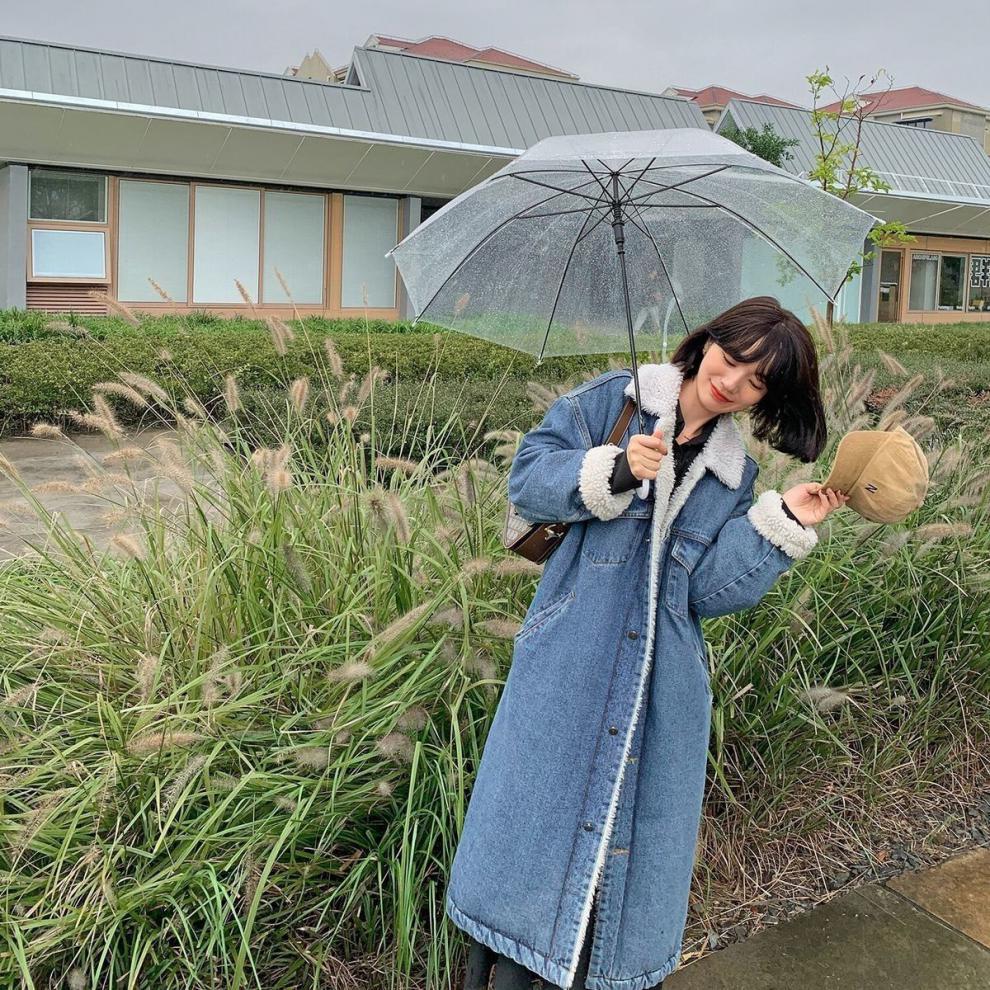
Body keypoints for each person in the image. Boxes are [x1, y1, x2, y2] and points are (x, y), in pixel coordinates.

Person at [452, 296, 849, 990]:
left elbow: (707, 593)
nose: (732, 382)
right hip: (570, 663)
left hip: (662, 691)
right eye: (732, 358)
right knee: (534, 845)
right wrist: (613, 469)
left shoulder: (734, 476)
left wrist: (784, 519)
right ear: (709, 342)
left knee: (626, 867)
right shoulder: (615, 401)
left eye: (757, 381)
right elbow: (526, 478)